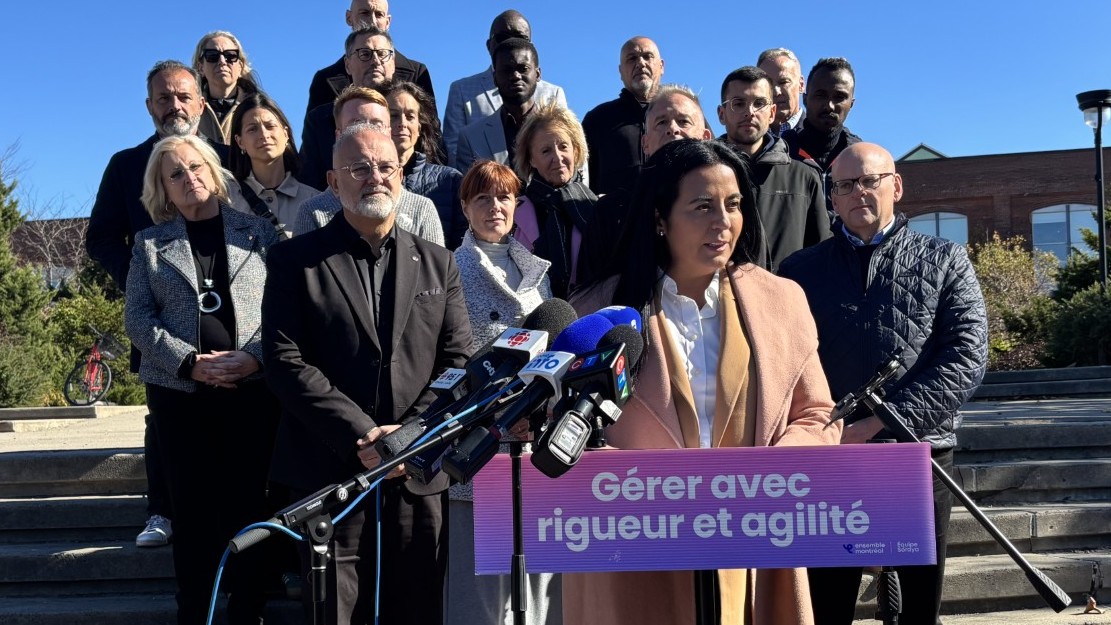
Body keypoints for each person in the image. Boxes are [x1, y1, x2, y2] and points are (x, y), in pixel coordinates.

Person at [566, 138, 840, 625]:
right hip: (633, 555)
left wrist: (772, 476)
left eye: (733, 205)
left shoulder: (782, 301)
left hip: (755, 545)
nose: (722, 222)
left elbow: (817, 413)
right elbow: (563, 432)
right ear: (659, 218)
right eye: (702, 206)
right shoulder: (596, 312)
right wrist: (625, 485)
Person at [262, 121, 472, 625]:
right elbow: (284, 360)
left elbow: (458, 361)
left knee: (418, 609)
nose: (375, 177)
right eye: (359, 168)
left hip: (417, 473)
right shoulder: (294, 260)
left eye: (386, 167)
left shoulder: (440, 263)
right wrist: (361, 434)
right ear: (334, 182)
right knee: (337, 612)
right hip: (328, 473)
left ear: (401, 177)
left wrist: (410, 436)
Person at [779, 142, 988, 625]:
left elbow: (967, 357)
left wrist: (878, 423)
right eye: (845, 185)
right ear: (832, 197)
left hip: (919, 453)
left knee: (918, 611)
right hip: (832, 458)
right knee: (826, 606)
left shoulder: (946, 259)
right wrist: (822, 432)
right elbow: (783, 364)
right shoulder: (798, 272)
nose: (858, 193)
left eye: (869, 180)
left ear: (895, 185)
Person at [124, 134, 280, 625]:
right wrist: (191, 361)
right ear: (163, 189)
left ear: (214, 173)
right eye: (175, 174)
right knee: (192, 513)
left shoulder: (260, 234)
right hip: (180, 396)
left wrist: (254, 359)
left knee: (250, 505)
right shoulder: (149, 245)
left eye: (196, 167)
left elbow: (282, 312)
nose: (189, 179)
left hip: (249, 393)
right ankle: (196, 611)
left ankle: (249, 607)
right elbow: (138, 320)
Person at [86, 59, 230, 551]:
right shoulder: (126, 165)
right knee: (163, 419)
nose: (175, 106)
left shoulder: (229, 159)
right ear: (149, 106)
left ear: (202, 102)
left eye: (184, 96)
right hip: (162, 322)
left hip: (231, 323)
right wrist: (141, 281)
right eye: (164, 98)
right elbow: (100, 237)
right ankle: (162, 511)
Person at [446, 160, 557, 625]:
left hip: (533, 438)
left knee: (538, 582)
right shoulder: (449, 264)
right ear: (466, 207)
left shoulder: (536, 270)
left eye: (505, 197)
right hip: (480, 439)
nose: (496, 207)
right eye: (483, 198)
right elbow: (448, 356)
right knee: (484, 588)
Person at [578, 84, 711, 284]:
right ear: (645, 143)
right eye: (661, 122)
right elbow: (589, 292)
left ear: (705, 138)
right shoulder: (610, 213)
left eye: (683, 121)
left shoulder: (729, 206)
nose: (672, 129)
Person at [294, 86, 444, 245]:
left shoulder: (421, 210)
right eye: (356, 124)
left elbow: (435, 268)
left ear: (389, 132)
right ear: (338, 135)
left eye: (376, 125)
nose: (366, 132)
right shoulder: (311, 213)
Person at [717, 66, 830, 272]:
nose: (749, 112)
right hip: (717, 298)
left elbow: (821, 255)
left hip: (786, 297)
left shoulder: (803, 178)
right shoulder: (702, 176)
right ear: (722, 114)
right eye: (738, 103)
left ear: (772, 113)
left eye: (759, 103)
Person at [442, 10, 566, 163]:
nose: (511, 42)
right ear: (489, 45)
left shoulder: (553, 93)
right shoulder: (462, 90)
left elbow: (570, 150)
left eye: (520, 37)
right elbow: (454, 152)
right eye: (502, 37)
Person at [301, 24, 405, 190]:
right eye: (365, 54)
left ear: (392, 63)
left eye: (382, 54)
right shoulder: (320, 120)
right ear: (347, 64)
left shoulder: (410, 116)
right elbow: (310, 179)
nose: (376, 61)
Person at [512, 101, 596, 299]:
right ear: (531, 159)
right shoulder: (514, 213)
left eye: (563, 146)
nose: (558, 157)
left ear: (575, 151)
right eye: (546, 151)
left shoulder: (596, 207)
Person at [305, 0, 434, 116]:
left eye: (379, 14)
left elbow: (431, 132)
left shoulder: (418, 73)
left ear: (388, 21)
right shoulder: (324, 80)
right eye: (365, 13)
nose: (372, 21)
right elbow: (317, 136)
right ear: (349, 18)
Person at [387, 81, 467, 249]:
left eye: (410, 116)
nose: (402, 123)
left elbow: (462, 244)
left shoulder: (450, 180)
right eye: (393, 115)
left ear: (419, 126)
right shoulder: (368, 180)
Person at [581, 36, 664, 196]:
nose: (641, 63)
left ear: (661, 66)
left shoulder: (683, 112)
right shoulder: (598, 119)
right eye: (632, 58)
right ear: (620, 71)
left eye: (647, 56)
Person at [228, 92, 316, 237]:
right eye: (252, 129)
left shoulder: (313, 201)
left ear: (285, 134)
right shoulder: (227, 201)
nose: (263, 134)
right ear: (240, 142)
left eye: (270, 126)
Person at [454, 37, 544, 173]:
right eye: (506, 70)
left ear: (537, 74)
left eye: (523, 68)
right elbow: (469, 191)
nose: (515, 76)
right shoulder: (471, 138)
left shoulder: (564, 127)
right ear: (495, 78)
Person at [782, 58, 861, 194]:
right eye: (821, 95)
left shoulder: (859, 157)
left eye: (839, 97)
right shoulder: (782, 154)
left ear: (851, 104)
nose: (829, 105)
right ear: (805, 99)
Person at [191, 31, 260, 147]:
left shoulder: (259, 107)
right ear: (200, 67)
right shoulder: (190, 110)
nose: (222, 62)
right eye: (213, 56)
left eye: (230, 56)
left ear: (240, 67)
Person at [756, 48, 805, 136]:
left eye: (783, 82)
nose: (776, 92)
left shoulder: (821, 135)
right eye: (769, 85)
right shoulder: (748, 140)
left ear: (801, 85)